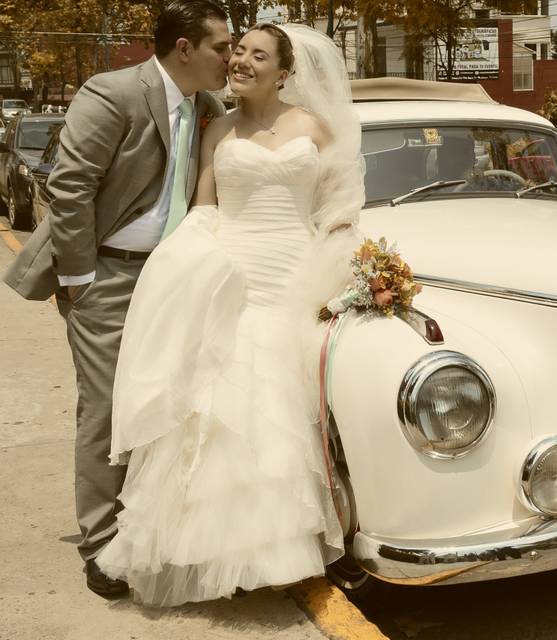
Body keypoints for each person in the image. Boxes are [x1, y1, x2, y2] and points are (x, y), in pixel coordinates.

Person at [93, 22, 363, 607]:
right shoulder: (217, 128)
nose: (240, 60)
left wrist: (340, 269)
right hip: (235, 272)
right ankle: (224, 550)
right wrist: (193, 267)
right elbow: (203, 204)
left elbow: (338, 208)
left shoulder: (314, 128)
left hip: (296, 273)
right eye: (237, 50)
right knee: (222, 407)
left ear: (285, 73)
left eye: (256, 55)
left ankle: (290, 544)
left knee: (287, 407)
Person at [2, 0, 230, 600]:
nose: (229, 57)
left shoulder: (208, 108)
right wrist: (79, 278)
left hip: (171, 279)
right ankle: (101, 544)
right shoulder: (113, 94)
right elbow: (70, 186)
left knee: (165, 401)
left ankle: (145, 525)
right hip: (106, 272)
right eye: (221, 47)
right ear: (185, 48)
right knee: (106, 405)